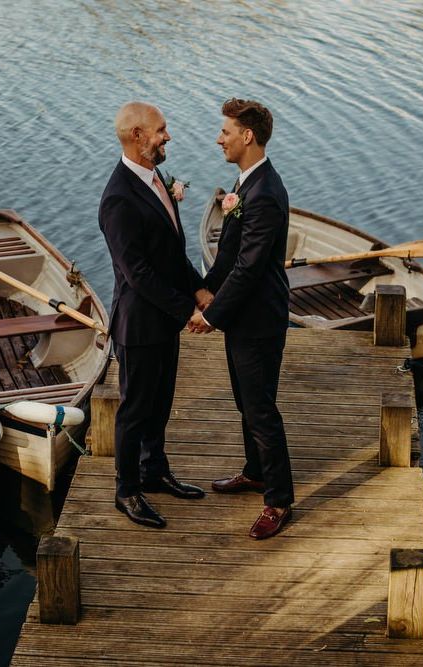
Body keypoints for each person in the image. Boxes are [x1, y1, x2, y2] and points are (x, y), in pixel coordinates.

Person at [99, 101, 210, 529]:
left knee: (161, 401)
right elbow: (139, 274)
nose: (168, 136)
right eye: (161, 130)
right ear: (136, 136)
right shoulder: (118, 199)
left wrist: (198, 287)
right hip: (139, 324)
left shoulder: (157, 177)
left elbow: (171, 253)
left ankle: (155, 470)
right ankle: (127, 490)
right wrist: (189, 311)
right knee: (135, 409)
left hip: (162, 320)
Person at [188, 98, 294, 539]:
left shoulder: (265, 193)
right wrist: (204, 288)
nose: (219, 139)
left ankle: (279, 500)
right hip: (243, 316)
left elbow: (250, 268)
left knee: (260, 408)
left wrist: (212, 317)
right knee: (243, 402)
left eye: (225, 132)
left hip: (260, 319)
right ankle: (255, 472)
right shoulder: (246, 184)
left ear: (247, 136)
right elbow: (229, 253)